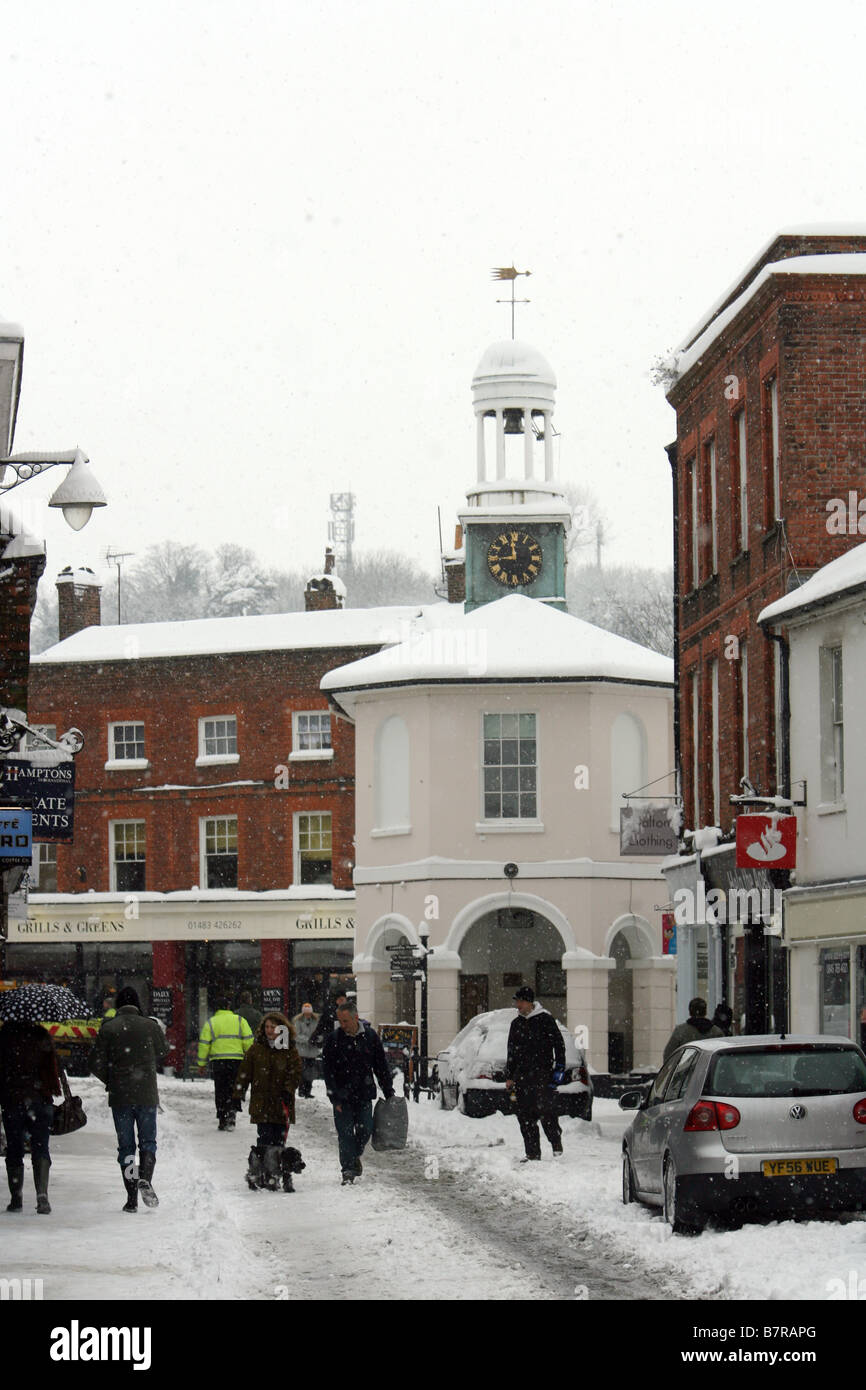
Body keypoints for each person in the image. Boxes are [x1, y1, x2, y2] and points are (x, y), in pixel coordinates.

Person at [90, 986, 168, 1213]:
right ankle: (146, 1179)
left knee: (126, 1148)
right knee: (148, 1142)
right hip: (146, 1094)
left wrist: (111, 1078)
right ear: (137, 1003)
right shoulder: (150, 1026)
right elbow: (163, 1051)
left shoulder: (109, 1028)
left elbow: (94, 1062)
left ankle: (131, 1196)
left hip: (120, 1095)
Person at [321, 999, 395, 1184]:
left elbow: (380, 1066)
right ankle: (348, 1170)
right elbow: (327, 1071)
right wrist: (334, 1097)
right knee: (345, 1134)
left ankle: (353, 1156)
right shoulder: (334, 1040)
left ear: (356, 1018)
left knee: (366, 1129)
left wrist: (388, 1090)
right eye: (340, 1021)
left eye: (345, 1021)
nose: (342, 1025)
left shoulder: (370, 1037)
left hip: (363, 1093)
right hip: (342, 1097)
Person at [233, 1013, 302, 1191]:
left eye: (273, 1027)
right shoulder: (256, 1049)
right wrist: (238, 1094)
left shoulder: (289, 1049)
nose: (270, 1031)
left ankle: (276, 1174)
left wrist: (288, 1089)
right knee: (264, 1139)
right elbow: (245, 1072)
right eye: (267, 1027)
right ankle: (261, 1173)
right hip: (261, 1102)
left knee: (279, 1142)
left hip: (281, 1103)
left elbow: (295, 1073)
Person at [0, 1018, 62, 1214]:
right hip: (40, 1099)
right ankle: (42, 1195)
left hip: (13, 1100)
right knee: (41, 1146)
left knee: (14, 1148)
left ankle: (16, 1198)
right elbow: (52, 1070)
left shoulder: (5, 1038)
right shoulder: (41, 1035)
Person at [505, 986, 566, 1163]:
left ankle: (555, 1140)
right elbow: (511, 1052)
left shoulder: (545, 1020)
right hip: (522, 1076)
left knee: (545, 1111)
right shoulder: (515, 1024)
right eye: (517, 1002)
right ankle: (532, 1152)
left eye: (520, 1002)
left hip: (543, 1074)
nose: (518, 1005)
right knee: (525, 1115)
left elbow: (559, 1045)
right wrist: (509, 1076)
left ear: (530, 1003)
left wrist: (559, 1069)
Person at [198, 997, 254, 1129]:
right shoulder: (240, 1021)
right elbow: (248, 1041)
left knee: (220, 1089)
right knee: (234, 1089)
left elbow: (204, 1044)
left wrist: (201, 1063)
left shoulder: (211, 1023)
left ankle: (222, 1117)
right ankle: (231, 1115)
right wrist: (250, 1058)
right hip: (236, 1061)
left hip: (218, 1062)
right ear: (229, 1006)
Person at [663, 996, 724, 1062]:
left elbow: (668, 1055)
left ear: (690, 1011)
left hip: (686, 1069)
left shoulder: (681, 1031)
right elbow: (723, 1056)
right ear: (705, 1012)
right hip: (711, 1069)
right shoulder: (716, 1032)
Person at [292, 1003, 320, 1098]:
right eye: (306, 1013)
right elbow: (296, 1035)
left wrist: (317, 1039)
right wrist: (307, 1040)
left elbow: (320, 1033)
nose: (308, 1015)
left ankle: (308, 1091)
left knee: (310, 1072)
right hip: (302, 1051)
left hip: (312, 1052)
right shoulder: (298, 1022)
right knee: (302, 1072)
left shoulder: (316, 1021)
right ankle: (302, 1090)